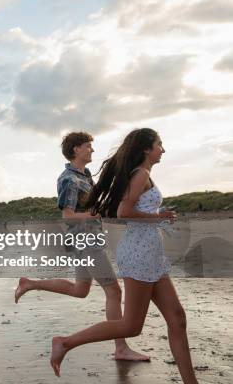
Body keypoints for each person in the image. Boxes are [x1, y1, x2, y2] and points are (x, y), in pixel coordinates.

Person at [49, 128, 198, 384]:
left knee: (177, 318)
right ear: (146, 149)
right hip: (140, 253)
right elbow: (123, 211)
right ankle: (65, 342)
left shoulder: (142, 175)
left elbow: (128, 209)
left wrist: (157, 212)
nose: (163, 149)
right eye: (159, 144)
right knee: (131, 325)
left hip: (151, 254)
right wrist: (158, 216)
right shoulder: (140, 174)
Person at [15, 132, 147, 361]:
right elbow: (68, 216)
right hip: (84, 239)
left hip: (86, 238)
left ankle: (30, 283)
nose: (92, 150)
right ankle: (120, 348)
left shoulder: (85, 175)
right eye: (88, 146)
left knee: (80, 290)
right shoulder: (69, 179)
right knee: (114, 290)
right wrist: (94, 214)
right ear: (75, 149)